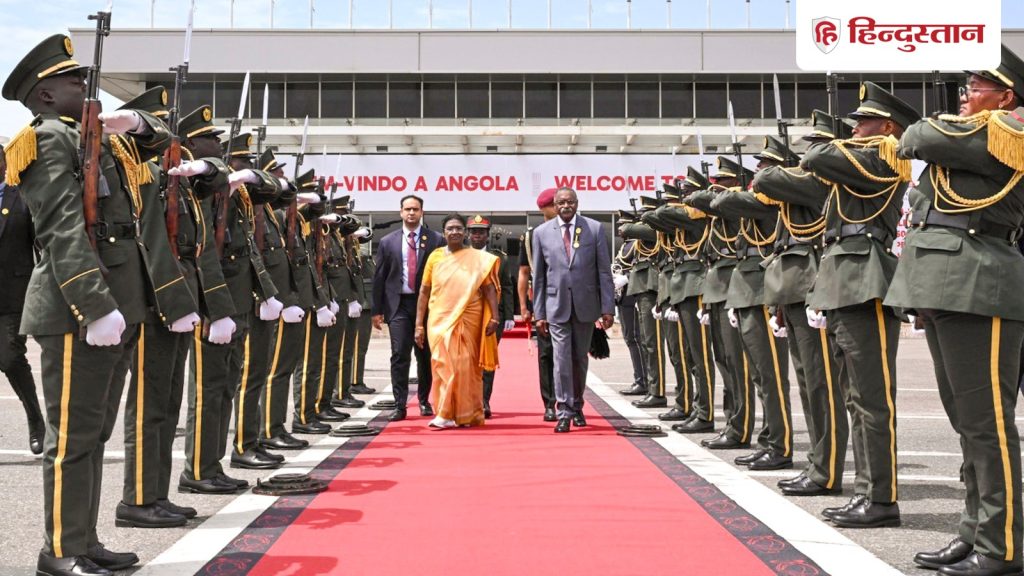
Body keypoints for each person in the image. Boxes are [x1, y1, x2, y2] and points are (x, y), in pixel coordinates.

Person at [3, 33, 172, 575]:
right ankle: (59, 551)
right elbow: (61, 230)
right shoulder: (47, 139)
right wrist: (94, 306)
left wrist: (139, 124)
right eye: (71, 79)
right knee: (72, 438)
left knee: (94, 435)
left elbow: (161, 143)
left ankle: (83, 538)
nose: (84, 84)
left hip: (115, 307)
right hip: (79, 311)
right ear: (45, 95)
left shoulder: (95, 138)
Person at [887, 45, 1024, 576]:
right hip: (948, 284)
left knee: (987, 425)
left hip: (979, 283)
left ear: (1005, 96)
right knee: (968, 425)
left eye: (975, 90)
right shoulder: (977, 136)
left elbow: (915, 136)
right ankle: (974, 531)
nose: (964, 98)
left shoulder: (1007, 134)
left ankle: (1002, 545)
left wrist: (942, 121)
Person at [801, 81, 917, 529]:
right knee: (856, 396)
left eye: (862, 122)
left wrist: (833, 141)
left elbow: (815, 157)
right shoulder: (860, 161)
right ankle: (869, 491)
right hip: (844, 282)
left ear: (887, 127)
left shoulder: (883, 159)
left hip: (866, 280)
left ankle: (882, 497)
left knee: (872, 398)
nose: (854, 130)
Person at [755, 116, 851, 498]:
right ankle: (818, 463)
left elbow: (765, 181)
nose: (811, 152)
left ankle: (826, 469)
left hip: (813, 288)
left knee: (823, 386)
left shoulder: (818, 184)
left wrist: (783, 168)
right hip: (795, 293)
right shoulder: (802, 189)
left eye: (820, 145)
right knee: (810, 386)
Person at [531, 187, 615, 433]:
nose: (565, 206)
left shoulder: (595, 229)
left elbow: (603, 271)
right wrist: (540, 314)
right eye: (560, 203)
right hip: (555, 306)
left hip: (586, 305)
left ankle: (577, 406)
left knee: (579, 359)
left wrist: (607, 307)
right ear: (554, 206)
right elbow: (539, 277)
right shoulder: (541, 233)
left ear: (577, 203)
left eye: (570, 202)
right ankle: (564, 410)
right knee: (560, 359)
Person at [414, 214, 501, 429]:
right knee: (441, 364)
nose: (455, 232)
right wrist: (418, 324)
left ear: (465, 232)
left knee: (465, 367)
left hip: (469, 316)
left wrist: (496, 317)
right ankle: (444, 412)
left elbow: (489, 288)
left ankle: (465, 414)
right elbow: (424, 291)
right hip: (439, 319)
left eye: (459, 228)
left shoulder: (478, 258)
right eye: (450, 228)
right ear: (443, 232)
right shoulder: (434, 256)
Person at [372, 194, 445, 421]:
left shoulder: (436, 240)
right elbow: (379, 278)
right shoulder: (387, 242)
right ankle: (400, 404)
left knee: (425, 355)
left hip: (428, 306)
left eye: (415, 209)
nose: (411, 213)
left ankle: (424, 400)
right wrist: (376, 310)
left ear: (422, 211)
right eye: (407, 209)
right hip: (399, 305)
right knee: (399, 354)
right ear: (400, 212)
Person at [0, 145, 44, 456]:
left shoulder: (21, 196)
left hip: (12, 295)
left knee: (10, 357)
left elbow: (41, 245)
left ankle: (35, 421)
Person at [468, 214, 516, 418]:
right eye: (473, 231)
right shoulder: (459, 255)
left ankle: (484, 400)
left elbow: (507, 286)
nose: (477, 235)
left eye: (481, 232)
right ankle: (467, 400)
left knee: (487, 360)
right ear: (468, 234)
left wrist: (509, 315)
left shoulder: (499, 258)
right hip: (467, 315)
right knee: (467, 360)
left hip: (492, 315)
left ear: (488, 235)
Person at [519, 188, 560, 421]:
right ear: (543, 208)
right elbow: (524, 272)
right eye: (553, 204)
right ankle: (549, 403)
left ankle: (571, 400)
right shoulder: (531, 236)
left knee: (571, 354)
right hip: (543, 299)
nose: (558, 208)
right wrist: (524, 306)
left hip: (570, 298)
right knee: (546, 354)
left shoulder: (576, 231)